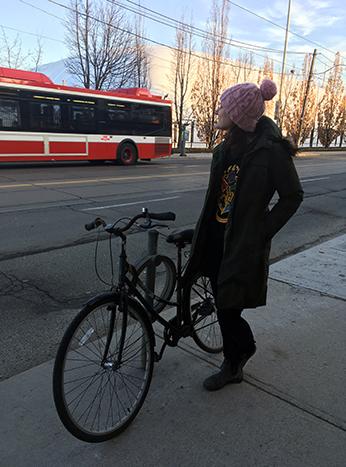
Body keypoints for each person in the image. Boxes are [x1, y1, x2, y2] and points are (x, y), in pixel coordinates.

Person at [185, 79, 304, 391]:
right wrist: (199, 230)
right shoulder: (224, 149)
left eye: (224, 106)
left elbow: (292, 196)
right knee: (221, 301)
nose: (218, 110)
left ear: (238, 115)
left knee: (228, 307)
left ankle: (234, 361)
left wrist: (262, 231)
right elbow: (218, 198)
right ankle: (237, 352)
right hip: (215, 238)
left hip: (242, 243)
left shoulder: (271, 152)